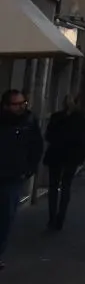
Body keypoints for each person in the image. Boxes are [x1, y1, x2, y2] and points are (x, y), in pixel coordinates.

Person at [0, 90, 42, 267]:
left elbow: (36, 147)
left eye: (22, 103)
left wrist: (28, 170)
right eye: (16, 104)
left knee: (6, 217)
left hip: (13, 177)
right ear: (6, 106)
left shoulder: (29, 122)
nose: (20, 107)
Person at [42, 96, 85, 232]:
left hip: (56, 155)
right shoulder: (80, 119)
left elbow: (48, 136)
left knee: (53, 187)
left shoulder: (56, 117)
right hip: (72, 157)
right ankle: (60, 218)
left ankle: (52, 218)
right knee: (66, 186)